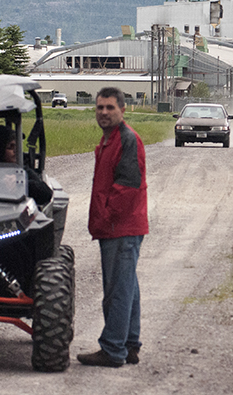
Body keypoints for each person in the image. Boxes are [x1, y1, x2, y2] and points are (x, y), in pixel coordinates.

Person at [77, 87, 149, 368]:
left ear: (123, 109)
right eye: (100, 108)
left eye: (110, 108)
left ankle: (113, 349)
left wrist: (107, 218)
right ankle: (129, 345)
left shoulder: (127, 140)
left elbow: (128, 187)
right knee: (127, 286)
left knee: (117, 290)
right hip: (119, 227)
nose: (104, 113)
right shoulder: (109, 140)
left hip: (122, 227)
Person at [0, 125, 53, 206]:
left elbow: (47, 193)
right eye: (11, 147)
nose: (16, 151)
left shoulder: (22, 170)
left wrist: (20, 184)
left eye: (17, 146)